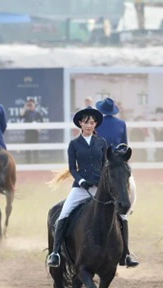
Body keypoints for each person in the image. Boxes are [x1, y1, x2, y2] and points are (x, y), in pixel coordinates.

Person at [47, 106, 138, 268]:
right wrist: (81, 181)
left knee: (122, 216)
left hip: (99, 187)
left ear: (95, 125)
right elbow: (72, 168)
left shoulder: (101, 143)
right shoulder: (74, 144)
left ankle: (126, 254)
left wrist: (102, 181)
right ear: (80, 124)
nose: (89, 125)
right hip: (80, 187)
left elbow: (105, 165)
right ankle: (55, 253)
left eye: (92, 123)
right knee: (64, 213)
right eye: (86, 122)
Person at [95, 97, 139, 267]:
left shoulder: (97, 124)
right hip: (119, 166)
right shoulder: (121, 124)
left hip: (102, 167)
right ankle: (126, 253)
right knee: (124, 213)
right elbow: (125, 147)